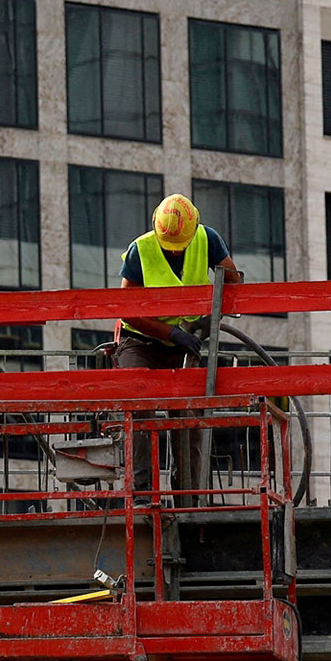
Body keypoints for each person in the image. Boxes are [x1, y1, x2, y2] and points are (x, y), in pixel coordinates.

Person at [112, 193, 243, 498]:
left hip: (186, 344)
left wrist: (209, 319)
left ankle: (188, 496)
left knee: (187, 418)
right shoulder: (140, 249)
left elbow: (234, 282)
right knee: (139, 406)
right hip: (140, 341)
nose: (173, 252)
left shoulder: (207, 240)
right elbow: (127, 310)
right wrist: (171, 332)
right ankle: (141, 495)